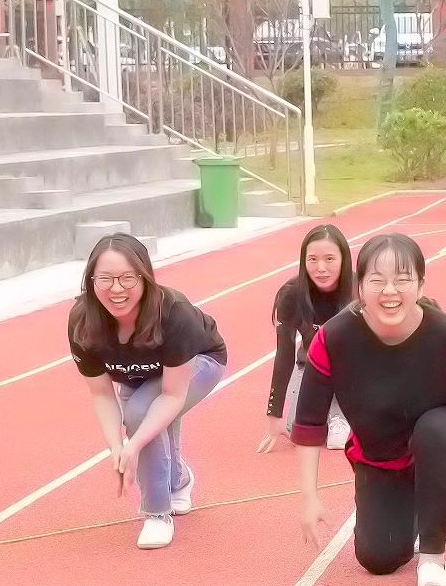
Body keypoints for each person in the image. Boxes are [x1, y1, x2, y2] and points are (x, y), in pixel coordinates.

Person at [293, 233, 446, 586]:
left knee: (435, 430)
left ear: (420, 285)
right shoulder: (333, 339)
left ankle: (433, 555)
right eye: (377, 280)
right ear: (360, 287)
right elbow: (309, 422)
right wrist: (309, 497)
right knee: (378, 558)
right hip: (380, 454)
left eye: (402, 279)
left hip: (440, 437)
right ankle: (413, 508)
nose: (389, 291)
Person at [66, 234, 228, 548]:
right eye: (105, 278)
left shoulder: (174, 313)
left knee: (140, 414)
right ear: (91, 280)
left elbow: (171, 394)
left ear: (145, 277)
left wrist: (134, 446)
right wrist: (117, 448)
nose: (116, 289)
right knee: (143, 416)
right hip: (137, 376)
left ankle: (157, 513)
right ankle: (178, 479)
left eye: (128, 278)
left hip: (199, 362)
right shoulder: (81, 321)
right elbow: (101, 394)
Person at [258, 223, 352, 454]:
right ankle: (326, 412)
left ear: (343, 260)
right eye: (313, 259)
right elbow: (284, 354)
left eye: (329, 259)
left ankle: (341, 415)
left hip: (354, 371)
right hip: (312, 367)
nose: (321, 268)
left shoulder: (360, 290)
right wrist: (274, 414)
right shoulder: (291, 294)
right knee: (298, 432)